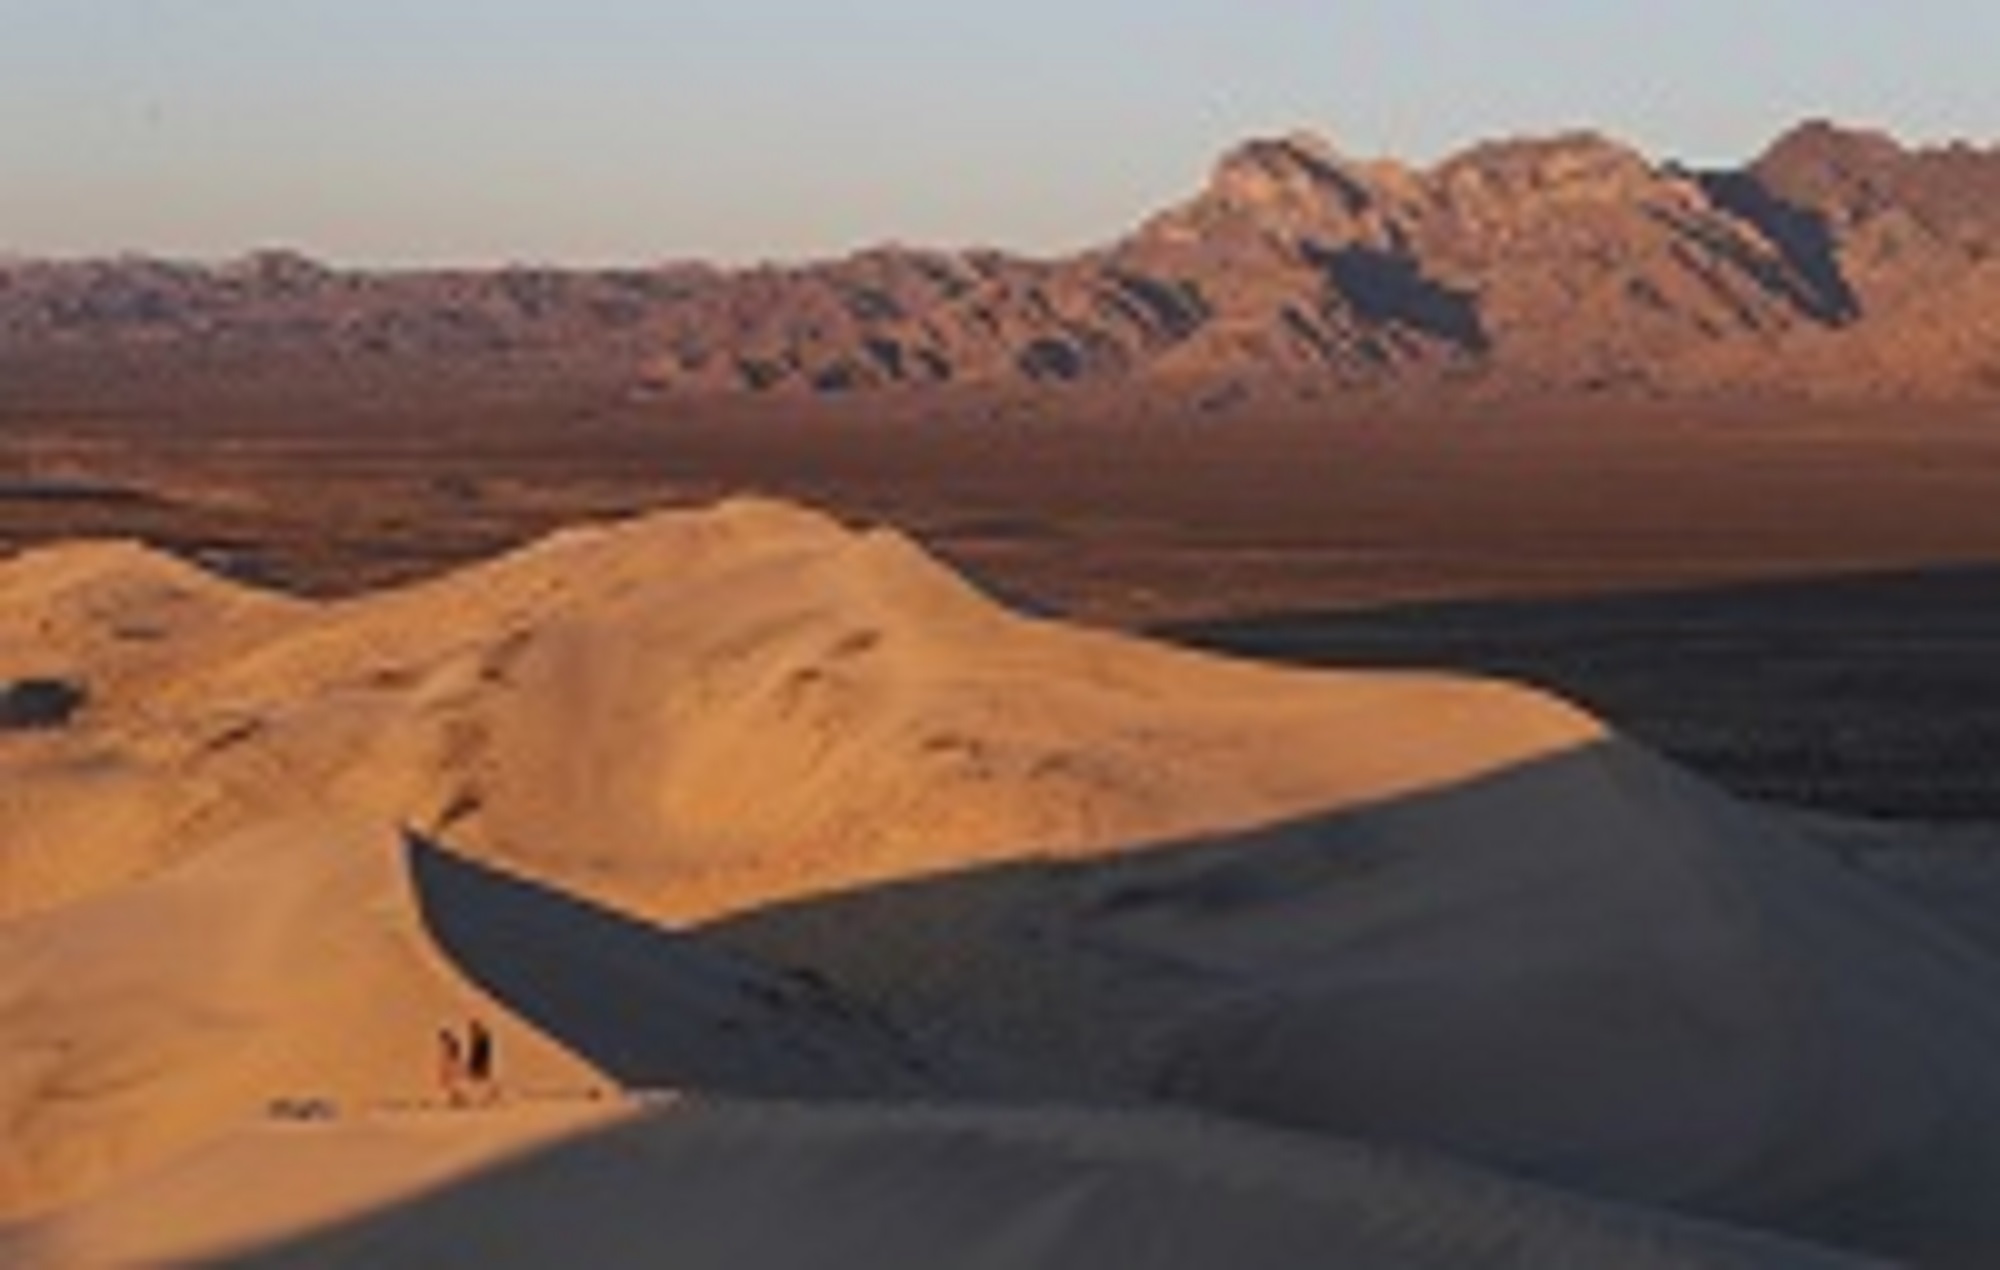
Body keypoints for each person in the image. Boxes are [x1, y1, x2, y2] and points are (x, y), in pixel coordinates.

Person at [465, 1018, 496, 1101]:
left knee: (481, 1079)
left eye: (472, 1028)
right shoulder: (477, 1037)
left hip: (480, 1061)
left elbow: (482, 1050)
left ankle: (488, 1095)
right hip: (478, 1060)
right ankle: (483, 1096)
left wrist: (473, 1062)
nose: (471, 1031)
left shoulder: (481, 1036)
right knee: (478, 1079)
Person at [437, 1026, 465, 1106]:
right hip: (451, 1065)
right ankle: (456, 1099)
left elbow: (454, 1055)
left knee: (453, 1083)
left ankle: (458, 1099)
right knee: (450, 1084)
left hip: (452, 1065)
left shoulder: (452, 1043)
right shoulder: (450, 1043)